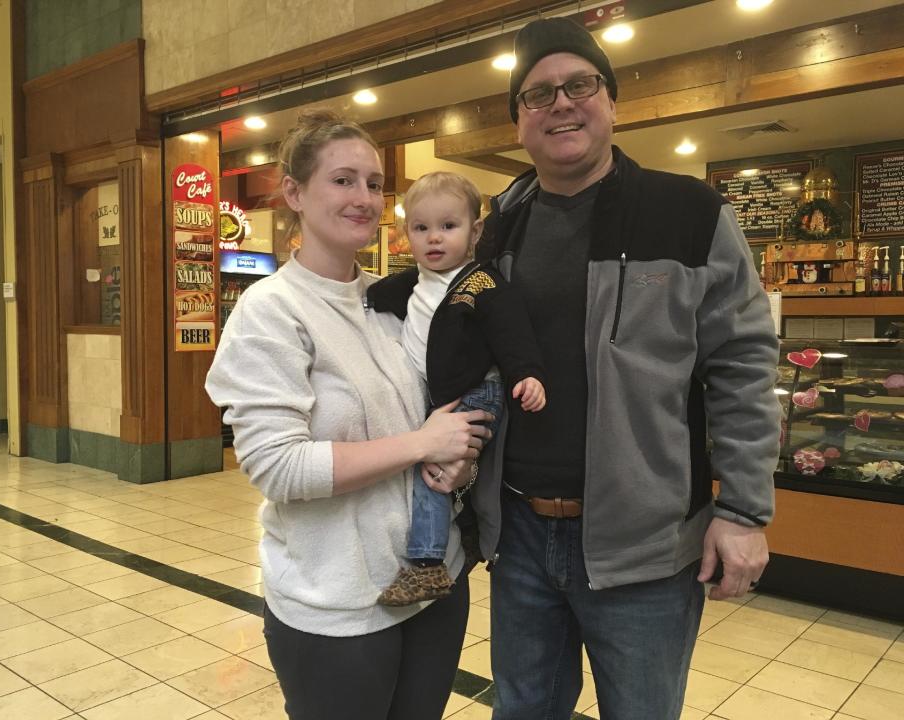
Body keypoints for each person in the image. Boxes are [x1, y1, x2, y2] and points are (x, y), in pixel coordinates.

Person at [469, 18, 781, 720]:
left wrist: (742, 509)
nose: (560, 104)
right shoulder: (500, 228)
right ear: (519, 120)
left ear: (611, 101)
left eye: (578, 84)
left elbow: (741, 363)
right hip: (519, 537)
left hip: (646, 549)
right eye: (537, 94)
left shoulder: (689, 213)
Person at [204, 110, 492, 720]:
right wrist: (421, 444)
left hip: (435, 585)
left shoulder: (393, 300)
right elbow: (278, 467)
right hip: (337, 604)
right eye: (342, 180)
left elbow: (444, 413)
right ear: (293, 193)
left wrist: (457, 462)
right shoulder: (271, 311)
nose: (364, 198)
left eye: (373, 183)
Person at [367, 172, 546, 606]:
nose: (434, 239)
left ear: (475, 231)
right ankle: (463, 535)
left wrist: (528, 373)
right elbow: (363, 295)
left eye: (448, 226)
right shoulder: (412, 282)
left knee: (433, 471)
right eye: (421, 228)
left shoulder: (480, 284)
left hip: (474, 393)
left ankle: (426, 565)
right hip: (434, 395)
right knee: (435, 470)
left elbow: (512, 332)